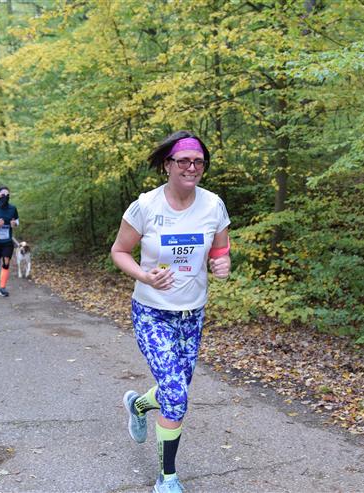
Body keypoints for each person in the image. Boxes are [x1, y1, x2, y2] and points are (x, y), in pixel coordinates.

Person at [110, 131, 231, 493]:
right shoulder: (146, 206)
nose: (192, 167)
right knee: (176, 395)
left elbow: (220, 250)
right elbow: (119, 251)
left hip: (192, 315)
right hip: (152, 312)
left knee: (174, 389)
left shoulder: (213, 205)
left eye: (198, 162)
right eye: (184, 161)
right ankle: (166, 478)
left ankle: (138, 406)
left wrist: (222, 264)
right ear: (167, 165)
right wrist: (144, 275)